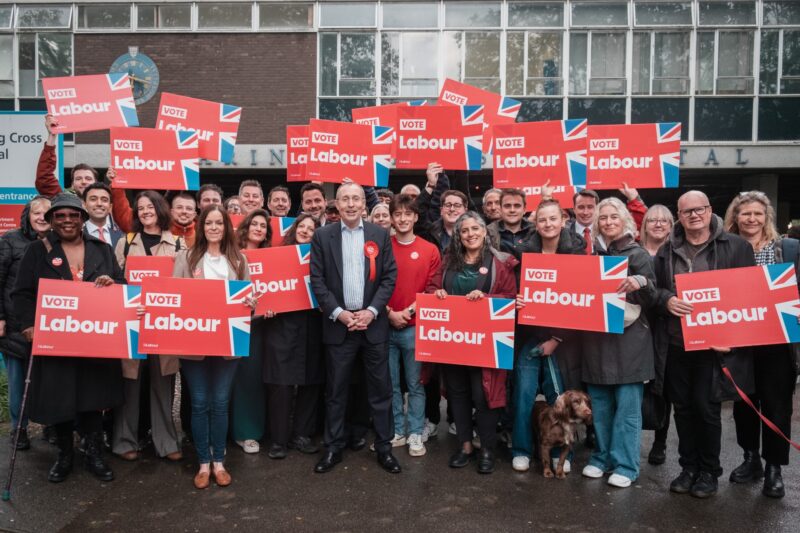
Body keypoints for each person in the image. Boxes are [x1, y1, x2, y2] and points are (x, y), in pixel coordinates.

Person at [12, 193, 124, 483]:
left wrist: (112, 284)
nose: (67, 220)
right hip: (55, 340)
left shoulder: (102, 249)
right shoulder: (37, 251)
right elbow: (22, 293)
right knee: (61, 400)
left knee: (93, 398)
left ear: (83, 219)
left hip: (94, 340)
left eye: (73, 215)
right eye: (59, 216)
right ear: (51, 221)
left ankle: (94, 453)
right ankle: (64, 455)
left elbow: (122, 286)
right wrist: (27, 327)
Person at [653, 190, 756, 499]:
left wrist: (733, 340)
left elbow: (750, 296)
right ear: (679, 216)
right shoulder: (665, 250)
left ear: (711, 210)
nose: (694, 215)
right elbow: (655, 292)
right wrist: (667, 300)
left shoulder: (737, 247)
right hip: (676, 343)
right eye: (687, 212)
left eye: (700, 209)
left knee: (707, 409)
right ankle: (688, 467)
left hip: (714, 347)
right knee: (682, 410)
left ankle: (709, 471)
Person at [309, 182, 400, 474]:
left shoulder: (379, 235)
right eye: (345, 198)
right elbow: (317, 280)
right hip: (340, 327)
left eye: (356, 199)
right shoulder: (323, 236)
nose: (350, 204)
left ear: (364, 204)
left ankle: (385, 447)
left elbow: (388, 278)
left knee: (380, 390)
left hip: (372, 327)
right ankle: (333, 447)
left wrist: (372, 312)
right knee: (336, 391)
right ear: (336, 204)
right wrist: (339, 313)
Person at [169, 205, 254, 489]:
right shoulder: (186, 257)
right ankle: (203, 463)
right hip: (195, 344)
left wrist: (250, 305)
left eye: (219, 223)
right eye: (209, 223)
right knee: (200, 403)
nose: (215, 227)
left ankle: (220, 461)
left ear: (226, 227)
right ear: (202, 226)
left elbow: (247, 300)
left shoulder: (239, 260)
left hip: (228, 344)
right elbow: (174, 297)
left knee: (220, 404)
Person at [426, 212, 517, 474]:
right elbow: (431, 289)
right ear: (458, 235)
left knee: (484, 395)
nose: (470, 234)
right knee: (458, 394)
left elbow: (510, 297)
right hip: (454, 342)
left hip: (485, 342)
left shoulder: (500, 263)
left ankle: (487, 448)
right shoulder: (448, 262)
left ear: (485, 231)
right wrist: (437, 293)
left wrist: (488, 297)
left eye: (475, 228)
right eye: (464, 231)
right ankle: (465, 445)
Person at [723, 191, 798, 499]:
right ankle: (751, 458)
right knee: (745, 404)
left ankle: (774, 468)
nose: (751, 219)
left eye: (757, 213)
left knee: (777, 405)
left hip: (777, 341)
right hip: (740, 341)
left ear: (767, 217)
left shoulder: (789, 248)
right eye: (745, 214)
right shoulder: (726, 249)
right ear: (735, 218)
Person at [580, 198, 657, 488]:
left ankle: (626, 464)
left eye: (614, 216)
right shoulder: (592, 255)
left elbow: (651, 297)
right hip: (597, 341)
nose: (609, 222)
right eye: (603, 218)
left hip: (629, 344)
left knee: (626, 410)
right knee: (599, 407)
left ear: (625, 219)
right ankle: (602, 458)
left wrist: (641, 283)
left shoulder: (638, 255)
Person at [511, 199, 586, 473]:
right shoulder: (523, 254)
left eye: (553, 219)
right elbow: (513, 291)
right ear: (535, 223)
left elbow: (583, 302)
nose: (548, 224)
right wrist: (515, 300)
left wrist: (557, 339)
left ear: (563, 220)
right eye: (542, 220)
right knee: (523, 393)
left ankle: (562, 452)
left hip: (563, 342)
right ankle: (520, 449)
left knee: (560, 397)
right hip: (529, 335)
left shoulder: (578, 254)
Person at [112, 190, 183, 463]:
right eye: (139, 208)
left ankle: (166, 442)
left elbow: (185, 287)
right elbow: (118, 284)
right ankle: (124, 441)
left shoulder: (178, 244)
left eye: (149, 206)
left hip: (165, 325)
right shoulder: (126, 244)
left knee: (163, 386)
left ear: (159, 208)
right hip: (134, 323)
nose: (144, 211)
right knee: (130, 385)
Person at [262, 214, 325, 459]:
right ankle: (278, 440)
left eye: (312, 228)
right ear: (294, 229)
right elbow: (264, 290)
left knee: (311, 382)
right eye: (303, 226)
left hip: (313, 326)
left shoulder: (322, 257)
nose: (306, 231)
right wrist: (266, 305)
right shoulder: (277, 256)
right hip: (282, 327)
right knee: (281, 384)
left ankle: (302, 434)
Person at [386, 194, 440, 457]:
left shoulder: (430, 250)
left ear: (416, 217)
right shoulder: (382, 246)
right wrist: (388, 313)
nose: (403, 218)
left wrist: (406, 313)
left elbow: (432, 288)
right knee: (391, 384)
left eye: (408, 214)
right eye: (398, 214)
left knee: (416, 384)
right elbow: (372, 283)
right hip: (385, 324)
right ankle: (397, 429)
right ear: (392, 218)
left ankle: (416, 432)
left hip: (415, 326)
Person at [0, 196, 51, 450]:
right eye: (36, 212)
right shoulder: (10, 241)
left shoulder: (57, 243)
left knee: (47, 381)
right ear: (27, 216)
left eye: (46, 212)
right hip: (15, 325)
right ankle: (19, 428)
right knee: (18, 382)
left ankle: (51, 425)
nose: (41, 216)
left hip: (51, 326)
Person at [231, 208, 271, 454]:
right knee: (233, 381)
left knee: (253, 381)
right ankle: (234, 432)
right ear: (245, 227)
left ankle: (251, 432)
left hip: (260, 329)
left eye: (263, 226)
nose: (259, 228)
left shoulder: (272, 257)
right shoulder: (232, 256)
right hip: (235, 325)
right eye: (254, 224)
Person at [640, 205, 675, 466]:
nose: (659, 224)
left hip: (667, 327)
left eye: (664, 220)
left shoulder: (677, 253)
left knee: (664, 386)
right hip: (639, 324)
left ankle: (660, 441)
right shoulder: (635, 251)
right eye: (653, 220)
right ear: (644, 224)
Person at [35, 115, 98, 198]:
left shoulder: (106, 202)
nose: (83, 182)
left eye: (88, 179)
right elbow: (44, 179)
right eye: (78, 178)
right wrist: (52, 135)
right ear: (72, 184)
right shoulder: (64, 200)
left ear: (96, 183)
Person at [82, 182, 124, 248]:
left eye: (104, 200)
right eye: (93, 199)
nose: (99, 203)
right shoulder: (77, 235)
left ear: (110, 207)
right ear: (84, 205)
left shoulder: (121, 236)